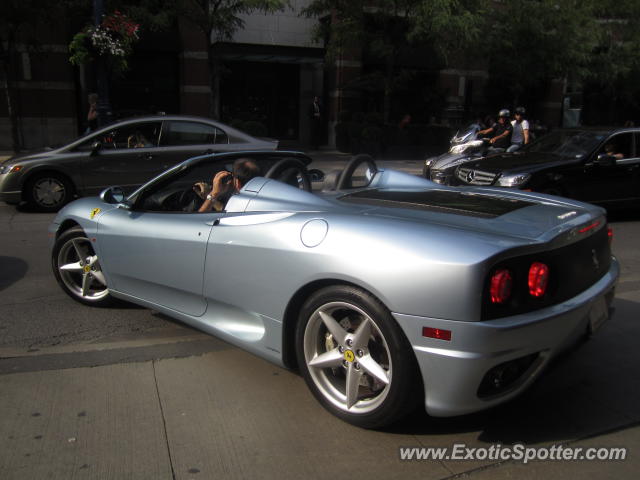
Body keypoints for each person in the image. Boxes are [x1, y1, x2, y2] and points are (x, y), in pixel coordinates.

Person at [196, 158, 261, 213]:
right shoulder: (263, 201)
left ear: (237, 183)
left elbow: (197, 223)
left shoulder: (239, 206)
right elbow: (223, 209)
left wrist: (213, 194)